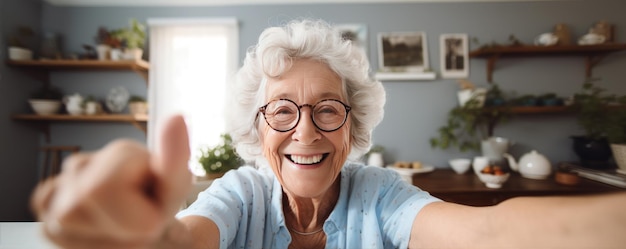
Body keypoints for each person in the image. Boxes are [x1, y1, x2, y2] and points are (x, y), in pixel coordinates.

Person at [31, 19, 626, 249]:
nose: (305, 132)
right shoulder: (241, 192)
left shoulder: (381, 193)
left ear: (353, 124)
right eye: (282, 111)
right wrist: (147, 237)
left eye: (328, 111)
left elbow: (490, 230)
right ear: (257, 127)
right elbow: (186, 240)